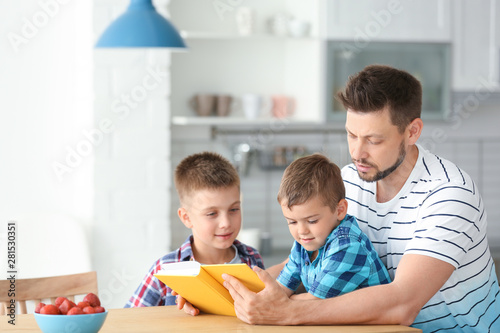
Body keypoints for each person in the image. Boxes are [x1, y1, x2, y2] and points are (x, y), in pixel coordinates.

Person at [222, 65, 500, 332]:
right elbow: (305, 261)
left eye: (373, 140)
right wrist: (223, 296)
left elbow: (402, 305)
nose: (357, 152)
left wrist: (285, 312)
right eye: (351, 135)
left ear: (412, 131)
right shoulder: (350, 181)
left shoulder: (449, 195)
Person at [125, 152, 265, 312]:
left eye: (234, 209)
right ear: (186, 217)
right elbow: (130, 319)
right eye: (212, 214)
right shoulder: (166, 268)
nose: (226, 223)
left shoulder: (252, 259)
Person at [276, 153, 391, 300]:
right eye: (292, 222)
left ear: (340, 210)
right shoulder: (304, 244)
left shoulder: (346, 245)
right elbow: (282, 287)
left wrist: (279, 300)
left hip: (379, 322)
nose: (301, 231)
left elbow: (313, 303)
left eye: (312, 221)